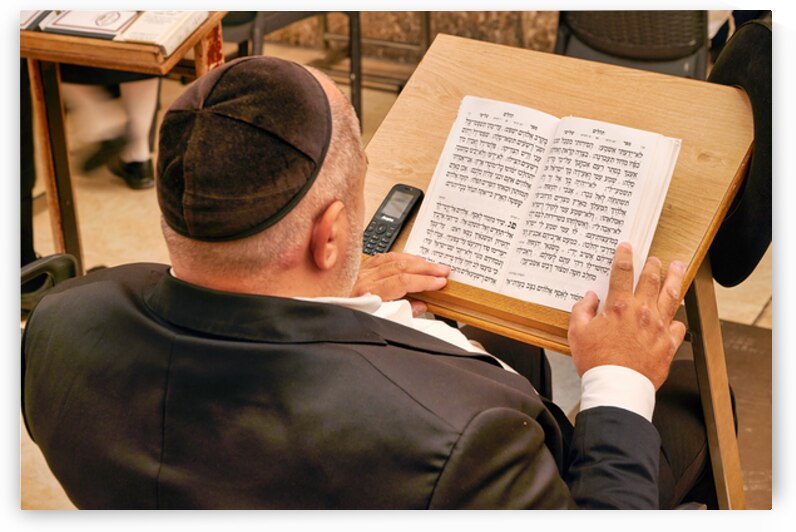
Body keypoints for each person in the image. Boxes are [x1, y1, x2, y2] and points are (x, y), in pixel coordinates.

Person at [22, 56, 716, 509]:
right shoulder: (465, 440)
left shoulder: (57, 327)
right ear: (328, 237)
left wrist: (330, 298)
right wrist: (619, 379)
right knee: (696, 413)